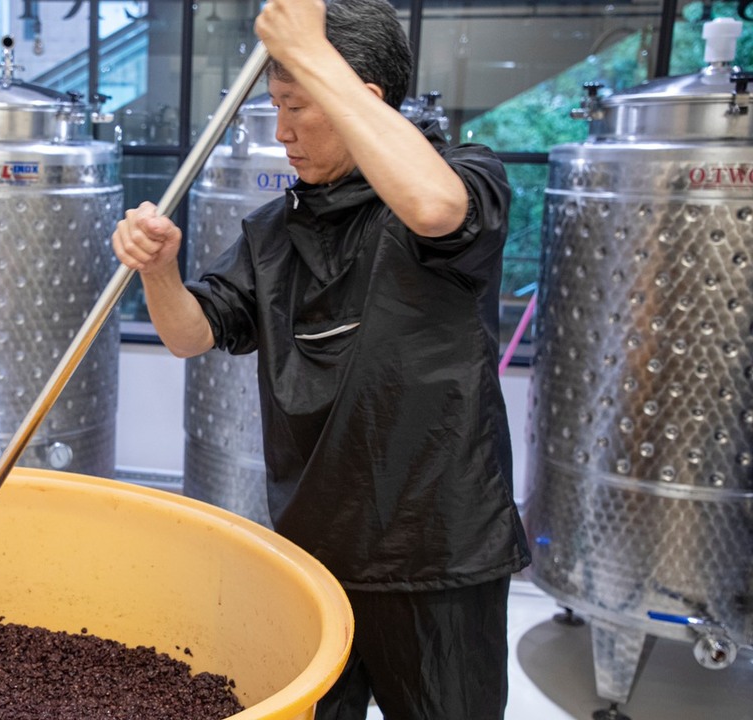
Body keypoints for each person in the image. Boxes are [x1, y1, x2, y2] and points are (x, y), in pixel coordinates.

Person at [111, 0, 532, 717]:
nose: (281, 135)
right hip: (315, 551)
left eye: (296, 106)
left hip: (435, 556)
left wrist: (314, 50)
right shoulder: (277, 230)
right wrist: (159, 269)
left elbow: (433, 210)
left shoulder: (462, 179)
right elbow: (191, 334)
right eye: (273, 107)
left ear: (358, 97)